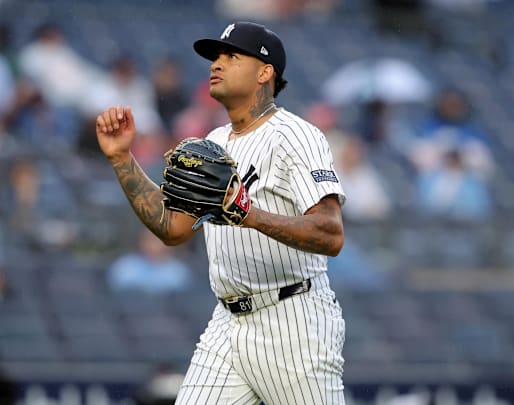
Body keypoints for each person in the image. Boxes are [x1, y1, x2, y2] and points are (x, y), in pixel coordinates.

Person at [97, 21, 347, 404]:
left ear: (265, 72)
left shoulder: (295, 135)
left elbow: (331, 234)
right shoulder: (212, 143)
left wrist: (249, 214)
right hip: (227, 322)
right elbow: (173, 228)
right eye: (215, 56)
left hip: (292, 321)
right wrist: (121, 159)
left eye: (231, 56)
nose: (216, 64)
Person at [106, 229, 192, 295]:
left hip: (167, 316)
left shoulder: (178, 271)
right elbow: (116, 293)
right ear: (142, 242)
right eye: (150, 240)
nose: (154, 245)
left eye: (159, 241)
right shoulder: (125, 266)